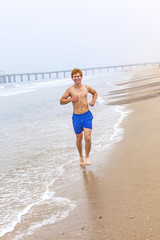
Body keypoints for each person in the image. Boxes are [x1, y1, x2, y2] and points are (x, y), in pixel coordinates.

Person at [60, 68, 97, 166]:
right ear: (72, 78)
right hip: (76, 117)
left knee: (88, 138)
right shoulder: (70, 89)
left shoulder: (86, 87)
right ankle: (81, 156)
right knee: (79, 138)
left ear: (81, 77)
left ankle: (87, 156)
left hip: (87, 115)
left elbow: (95, 93)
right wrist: (71, 99)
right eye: (74, 77)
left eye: (78, 76)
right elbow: (61, 101)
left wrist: (93, 101)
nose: (76, 78)